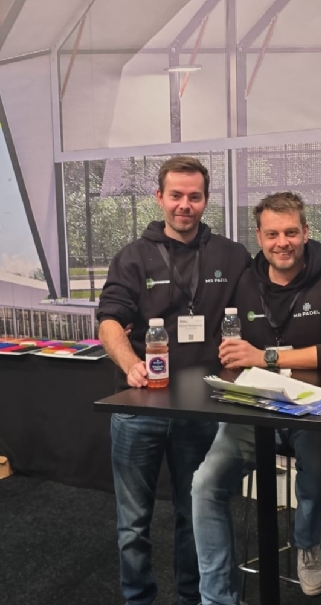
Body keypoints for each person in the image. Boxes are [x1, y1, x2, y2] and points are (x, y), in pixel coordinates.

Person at [192, 192, 321, 602]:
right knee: (205, 484)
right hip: (256, 409)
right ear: (259, 236)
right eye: (272, 234)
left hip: (318, 412)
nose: (282, 242)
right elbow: (220, 336)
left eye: (290, 232)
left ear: (306, 232)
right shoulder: (242, 280)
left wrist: (265, 356)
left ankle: (306, 542)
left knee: (319, 470)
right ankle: (216, 596)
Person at [97, 156, 251, 605]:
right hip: (139, 407)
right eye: (176, 195)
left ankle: (190, 597)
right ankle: (138, 599)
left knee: (195, 515)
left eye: (194, 196)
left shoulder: (231, 255)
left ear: (206, 200)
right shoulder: (132, 257)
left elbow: (280, 272)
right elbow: (109, 321)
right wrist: (131, 364)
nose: (185, 205)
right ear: (160, 197)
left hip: (203, 409)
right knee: (132, 524)